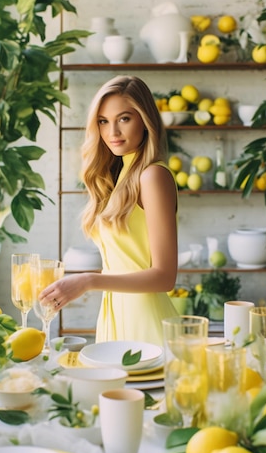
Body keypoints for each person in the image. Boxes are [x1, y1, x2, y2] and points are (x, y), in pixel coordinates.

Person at [39, 75, 179, 346]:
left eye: (124, 119)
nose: (112, 132)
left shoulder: (152, 176)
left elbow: (165, 277)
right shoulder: (121, 177)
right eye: (103, 121)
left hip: (145, 326)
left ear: (145, 119)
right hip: (114, 318)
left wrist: (88, 281)